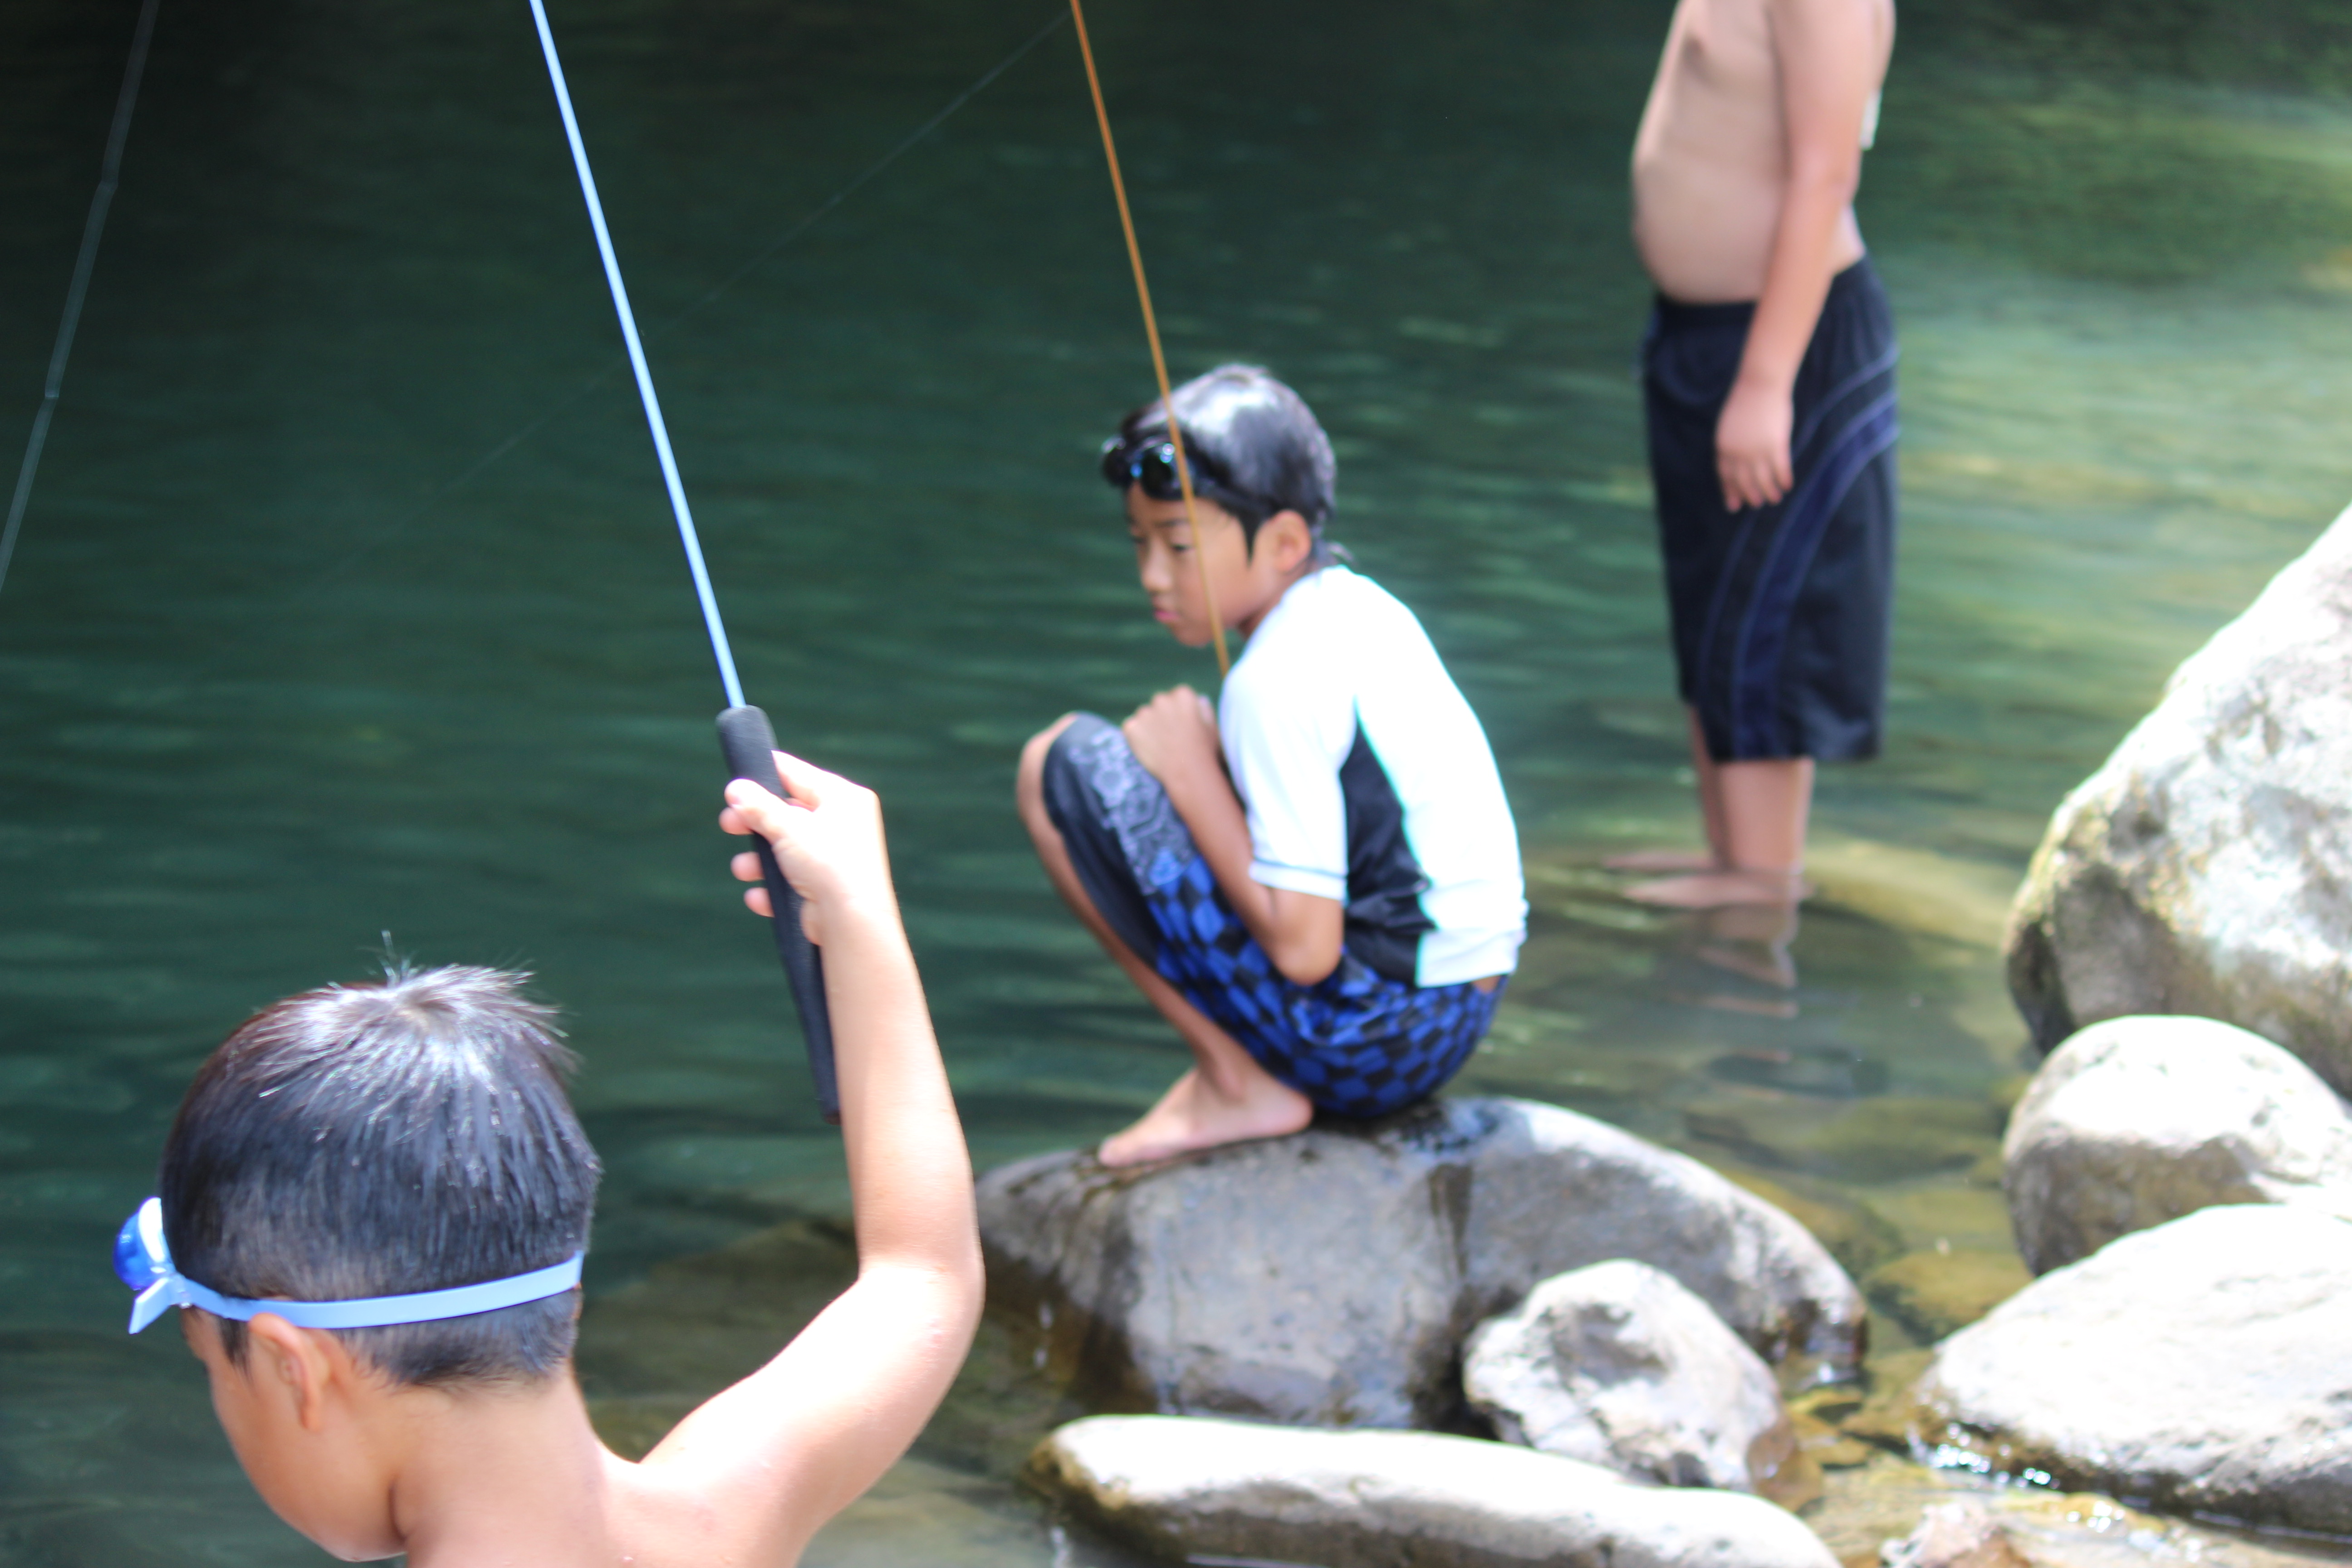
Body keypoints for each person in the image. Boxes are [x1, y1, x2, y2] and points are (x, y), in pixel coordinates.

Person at [112, 754, 981, 1567]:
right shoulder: (720, 1520)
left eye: (207, 1365)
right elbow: (921, 1276)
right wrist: (860, 916)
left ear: (290, 1367)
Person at [1016, 364, 1526, 1167]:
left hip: (1374, 1041)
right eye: (1141, 543)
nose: (1153, 575)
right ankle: (1235, 1071)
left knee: (1057, 767)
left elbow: (1304, 952)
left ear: (1285, 542)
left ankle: (1234, 1078)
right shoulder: (1360, 608)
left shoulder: (1275, 679)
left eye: (1180, 546)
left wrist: (1188, 773)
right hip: (1451, 1017)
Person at [1611, 0, 1900, 909]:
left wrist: (1767, 382)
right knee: (1714, 610)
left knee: (1764, 621)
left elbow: (1826, 173)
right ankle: (1728, 857)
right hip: (1706, 334)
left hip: (1783, 347)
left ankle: (1762, 888)